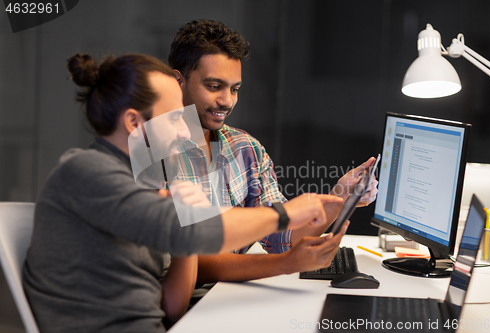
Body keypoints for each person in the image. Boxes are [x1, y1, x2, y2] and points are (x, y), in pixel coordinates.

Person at [22, 53, 344, 333]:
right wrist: (285, 214)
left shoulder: (141, 184)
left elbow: (172, 307)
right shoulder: (86, 171)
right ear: (135, 123)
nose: (183, 128)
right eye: (175, 117)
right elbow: (200, 236)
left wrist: (187, 228)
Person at [167, 19, 379, 283]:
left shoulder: (246, 148)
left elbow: (281, 236)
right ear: (179, 81)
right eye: (214, 86)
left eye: (235, 89)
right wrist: (285, 264)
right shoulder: (150, 150)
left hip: (228, 297)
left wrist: (339, 199)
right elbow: (190, 261)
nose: (227, 101)